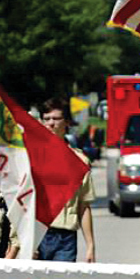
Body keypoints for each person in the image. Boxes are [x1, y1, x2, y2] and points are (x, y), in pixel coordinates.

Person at [38, 98, 96, 262]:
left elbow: (84, 205)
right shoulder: (30, 157)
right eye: (47, 119)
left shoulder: (79, 160)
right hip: (37, 233)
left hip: (66, 237)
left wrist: (90, 245)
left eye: (56, 118)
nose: (51, 123)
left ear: (67, 122)